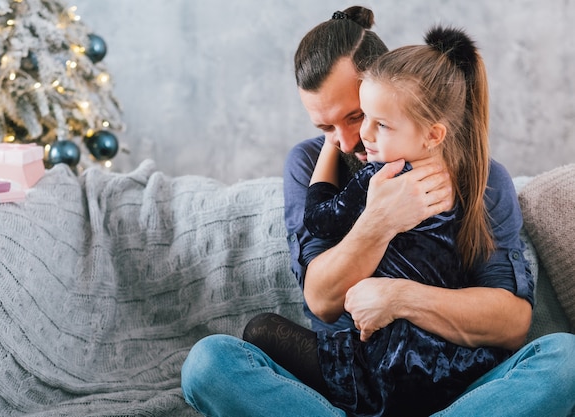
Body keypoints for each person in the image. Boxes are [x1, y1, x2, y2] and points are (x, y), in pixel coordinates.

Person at [180, 6, 575, 417]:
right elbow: (322, 299)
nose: (350, 139)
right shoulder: (312, 163)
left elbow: (511, 325)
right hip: (348, 378)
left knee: (566, 359)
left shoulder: (482, 175)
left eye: (358, 116)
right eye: (326, 129)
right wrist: (381, 220)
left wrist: (401, 297)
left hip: (452, 381)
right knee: (208, 363)